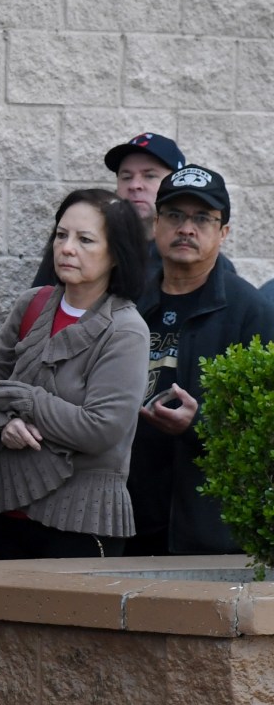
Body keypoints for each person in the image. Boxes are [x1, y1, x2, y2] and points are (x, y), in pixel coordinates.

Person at [0, 189, 150, 559]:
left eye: (85, 240)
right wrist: (4, 423)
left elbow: (101, 429)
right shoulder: (32, 303)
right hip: (7, 508)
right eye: (61, 235)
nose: (67, 248)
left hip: (80, 521)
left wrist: (25, 400)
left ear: (117, 254)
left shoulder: (126, 329)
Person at [124, 165, 274, 555]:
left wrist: (198, 424)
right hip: (127, 519)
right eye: (174, 215)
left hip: (205, 531)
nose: (186, 229)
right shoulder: (127, 302)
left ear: (223, 232)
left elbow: (265, 431)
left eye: (202, 218)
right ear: (156, 224)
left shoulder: (250, 311)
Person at [31, 133, 183, 288]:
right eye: (126, 177)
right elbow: (42, 298)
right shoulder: (75, 241)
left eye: (149, 176)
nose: (134, 185)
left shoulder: (186, 249)